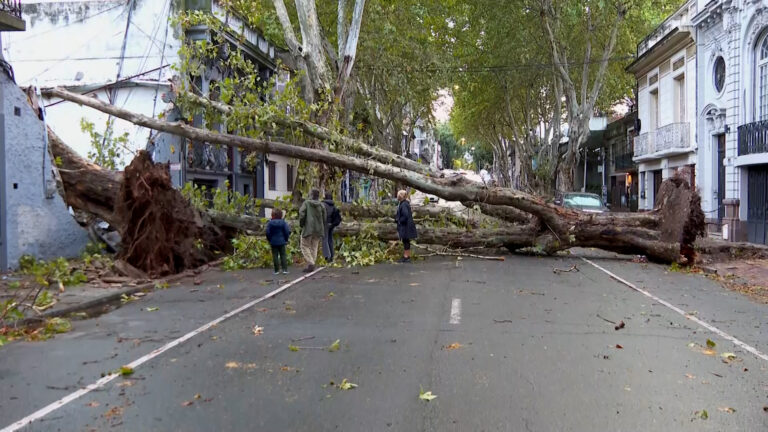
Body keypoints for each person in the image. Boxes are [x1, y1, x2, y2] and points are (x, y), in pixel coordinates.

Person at [299, 189, 327, 272]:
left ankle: (311, 263)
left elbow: (302, 214)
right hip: (318, 229)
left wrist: (302, 224)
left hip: (308, 228)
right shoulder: (321, 205)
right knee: (314, 246)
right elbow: (324, 217)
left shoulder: (306, 203)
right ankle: (312, 263)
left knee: (304, 245)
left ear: (311, 195)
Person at [265, 208, 291, 275]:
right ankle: (284, 269)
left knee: (275, 255)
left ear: (272, 215)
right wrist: (286, 239)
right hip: (282, 241)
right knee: (283, 255)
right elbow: (287, 231)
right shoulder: (283, 222)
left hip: (273, 241)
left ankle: (276, 270)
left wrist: (269, 239)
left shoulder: (270, 223)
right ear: (281, 215)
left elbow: (267, 232)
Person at [395, 189, 418, 263]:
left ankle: (406, 257)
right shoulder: (404, 203)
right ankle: (406, 255)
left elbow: (405, 215)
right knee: (406, 241)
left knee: (405, 241)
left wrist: (399, 221)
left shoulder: (404, 204)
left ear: (400, 196)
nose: (397, 196)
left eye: (398, 195)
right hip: (407, 226)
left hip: (405, 226)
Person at [322, 192, 343, 262]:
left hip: (325, 224)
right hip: (332, 224)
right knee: (330, 240)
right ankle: (332, 255)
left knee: (325, 240)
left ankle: (327, 256)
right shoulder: (333, 205)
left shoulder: (323, 205)